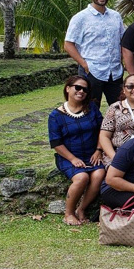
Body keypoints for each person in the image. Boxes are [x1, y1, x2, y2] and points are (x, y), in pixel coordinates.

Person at [48, 76, 104, 225]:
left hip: (92, 154)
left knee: (99, 174)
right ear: (68, 88)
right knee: (82, 178)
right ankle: (68, 213)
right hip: (68, 157)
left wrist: (98, 150)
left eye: (85, 89)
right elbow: (56, 143)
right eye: (77, 88)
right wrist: (73, 159)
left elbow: (103, 131)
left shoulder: (92, 108)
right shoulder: (55, 116)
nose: (81, 91)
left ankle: (82, 209)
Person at [63, 0, 125, 108]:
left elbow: (122, 41)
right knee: (89, 108)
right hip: (91, 71)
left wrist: (123, 61)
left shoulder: (116, 16)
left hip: (115, 72)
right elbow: (68, 44)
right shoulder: (80, 18)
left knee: (120, 108)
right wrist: (84, 64)